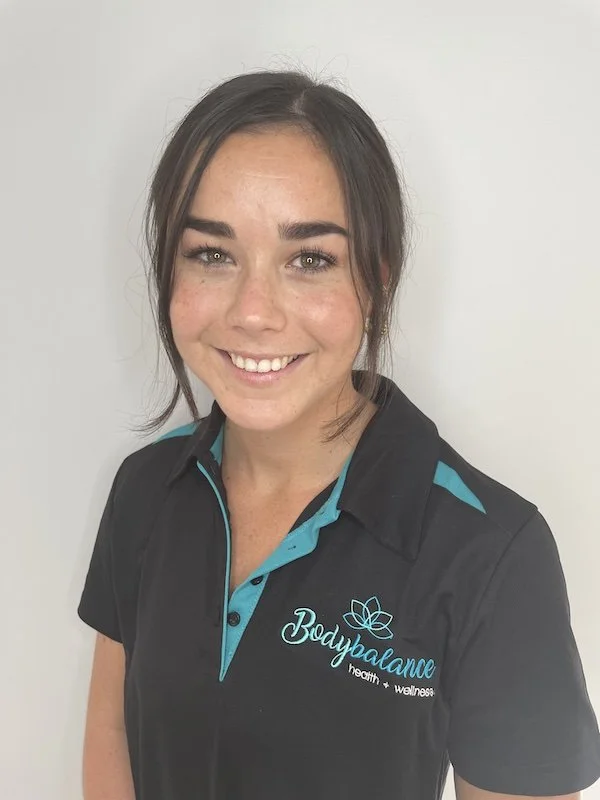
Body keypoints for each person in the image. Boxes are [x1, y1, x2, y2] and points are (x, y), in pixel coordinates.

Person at [77, 70, 600, 800]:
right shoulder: (143, 487)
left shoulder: (492, 553)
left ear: (377, 280)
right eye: (212, 253)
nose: (253, 312)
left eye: (310, 259)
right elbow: (112, 733)